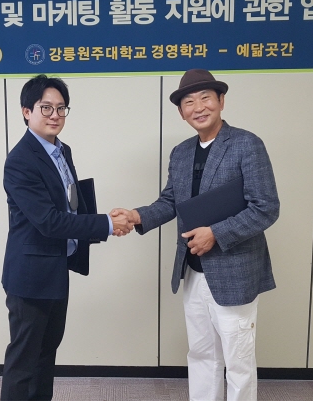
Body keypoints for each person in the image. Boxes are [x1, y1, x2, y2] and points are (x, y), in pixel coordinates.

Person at [112, 69, 279, 401]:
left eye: (205, 98)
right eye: (189, 102)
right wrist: (136, 216)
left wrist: (216, 233)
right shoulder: (182, 152)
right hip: (193, 270)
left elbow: (266, 207)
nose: (198, 107)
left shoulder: (247, 144)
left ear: (221, 101)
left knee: (238, 361)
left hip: (235, 272)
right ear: (181, 112)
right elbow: (170, 202)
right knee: (202, 355)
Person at [0, 74, 132, 401]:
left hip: (56, 268)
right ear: (26, 112)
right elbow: (48, 221)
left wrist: (96, 221)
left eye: (61, 108)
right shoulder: (20, 161)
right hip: (30, 276)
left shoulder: (62, 151)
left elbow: (69, 203)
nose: (55, 115)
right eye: (45, 108)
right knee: (24, 361)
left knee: (46, 353)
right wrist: (106, 224)